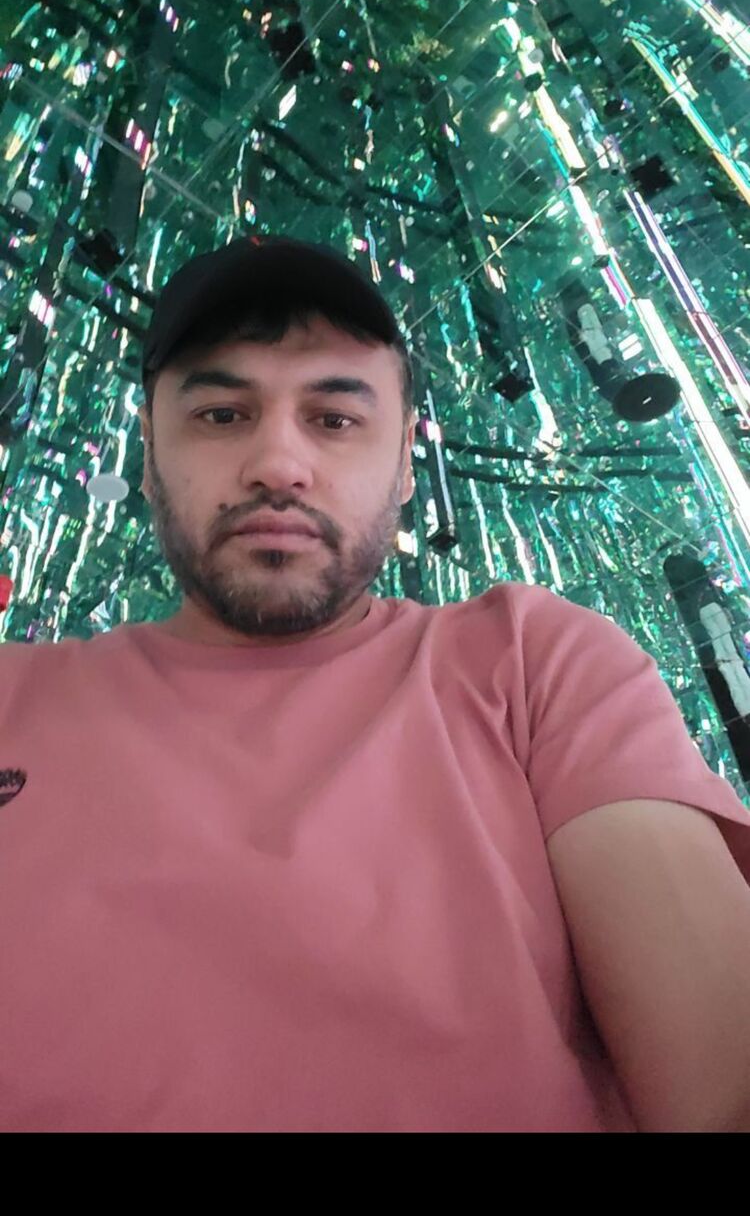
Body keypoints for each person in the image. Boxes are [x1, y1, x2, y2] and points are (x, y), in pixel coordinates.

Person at [1, 235, 749, 1134]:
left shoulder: (533, 663)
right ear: (150, 451)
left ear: (403, 464)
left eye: (334, 419)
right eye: (222, 415)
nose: (278, 463)